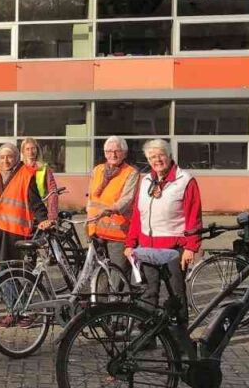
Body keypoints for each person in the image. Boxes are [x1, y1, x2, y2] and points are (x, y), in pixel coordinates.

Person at [124, 139, 202, 323]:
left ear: (169, 156)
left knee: (176, 293)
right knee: (149, 293)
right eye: (152, 157)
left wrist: (191, 247)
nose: (157, 160)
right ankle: (147, 336)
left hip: (174, 249)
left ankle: (180, 337)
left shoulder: (185, 180)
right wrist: (130, 243)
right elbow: (137, 214)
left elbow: (194, 216)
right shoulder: (146, 181)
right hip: (147, 247)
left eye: (160, 155)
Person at [0, 142, 52, 268]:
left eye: (9, 157)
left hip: (13, 233)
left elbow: (36, 202)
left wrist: (44, 220)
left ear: (17, 157)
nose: (5, 161)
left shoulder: (26, 175)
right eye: (2, 157)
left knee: (12, 271)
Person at [86, 136, 140, 277]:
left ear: (124, 153)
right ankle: (100, 300)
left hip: (118, 234)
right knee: (99, 276)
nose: (113, 154)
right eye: (109, 151)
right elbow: (91, 198)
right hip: (96, 232)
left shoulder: (131, 172)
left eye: (117, 151)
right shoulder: (97, 170)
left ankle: (119, 299)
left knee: (118, 275)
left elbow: (127, 199)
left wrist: (111, 209)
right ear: (104, 153)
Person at [20, 137, 59, 221]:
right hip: (22, 211)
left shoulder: (44, 168)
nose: (30, 152)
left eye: (33, 148)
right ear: (23, 151)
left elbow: (53, 191)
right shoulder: (19, 168)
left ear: (37, 150)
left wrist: (52, 215)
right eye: (27, 149)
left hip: (39, 211)